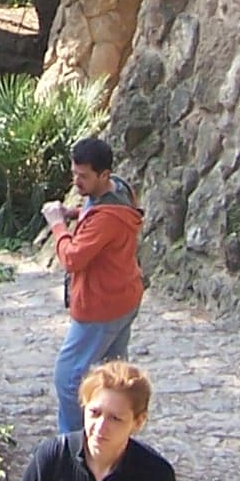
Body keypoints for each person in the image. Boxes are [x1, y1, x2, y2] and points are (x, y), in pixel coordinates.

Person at [1, 360, 186, 481]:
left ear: (138, 422)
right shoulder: (55, 455)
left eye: (115, 418)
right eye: (95, 413)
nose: (100, 427)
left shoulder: (155, 475)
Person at [43, 136, 144, 435]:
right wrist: (75, 214)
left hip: (102, 307)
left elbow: (73, 259)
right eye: (74, 174)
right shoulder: (120, 191)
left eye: (84, 176)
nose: (77, 182)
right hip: (125, 298)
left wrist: (57, 225)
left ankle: (74, 441)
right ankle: (116, 432)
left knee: (68, 377)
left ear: (104, 174)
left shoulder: (108, 219)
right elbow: (95, 214)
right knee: (114, 376)